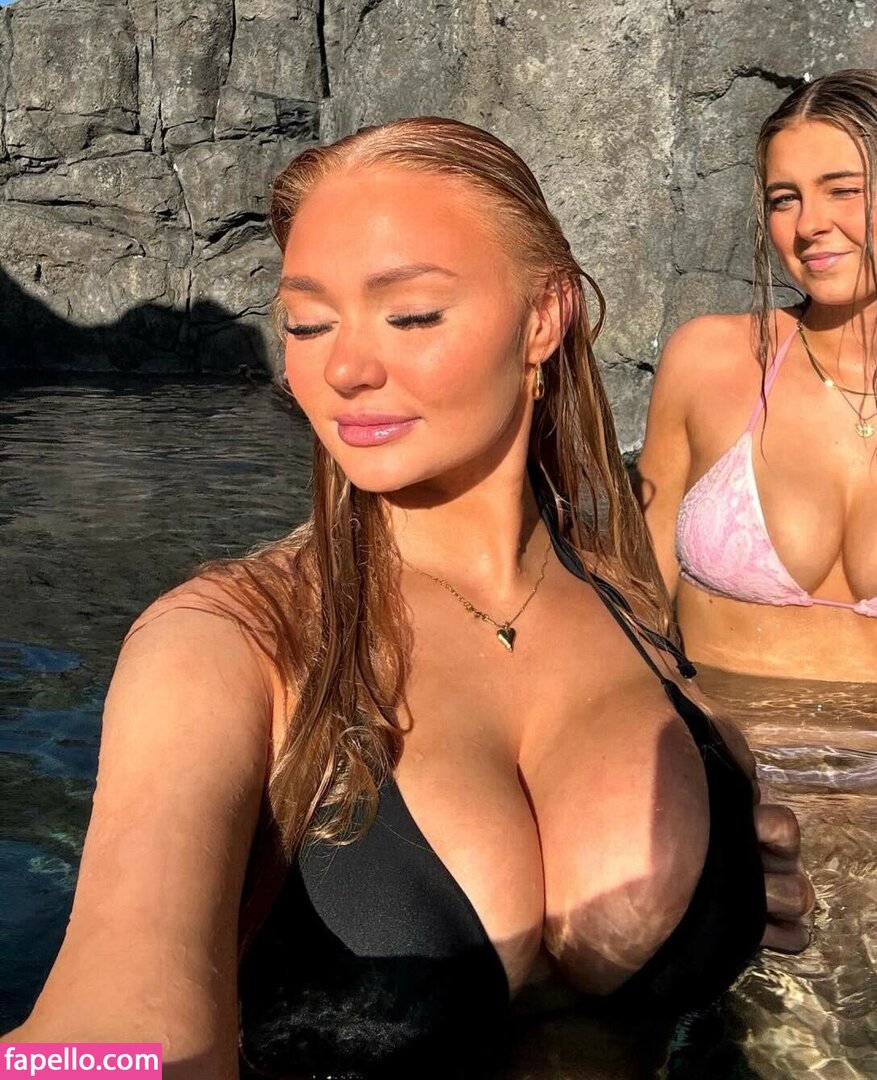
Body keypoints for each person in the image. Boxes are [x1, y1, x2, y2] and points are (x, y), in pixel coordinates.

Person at [3, 118, 812, 1079]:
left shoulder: (628, 604)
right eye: (307, 323)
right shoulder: (223, 642)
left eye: (412, 315)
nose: (344, 368)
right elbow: (108, 1031)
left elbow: (750, 847)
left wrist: (732, 871)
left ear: (544, 318)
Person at [638, 69, 877, 682]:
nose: (809, 224)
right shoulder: (710, 361)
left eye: (843, 190)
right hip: (722, 739)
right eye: (784, 199)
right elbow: (637, 602)